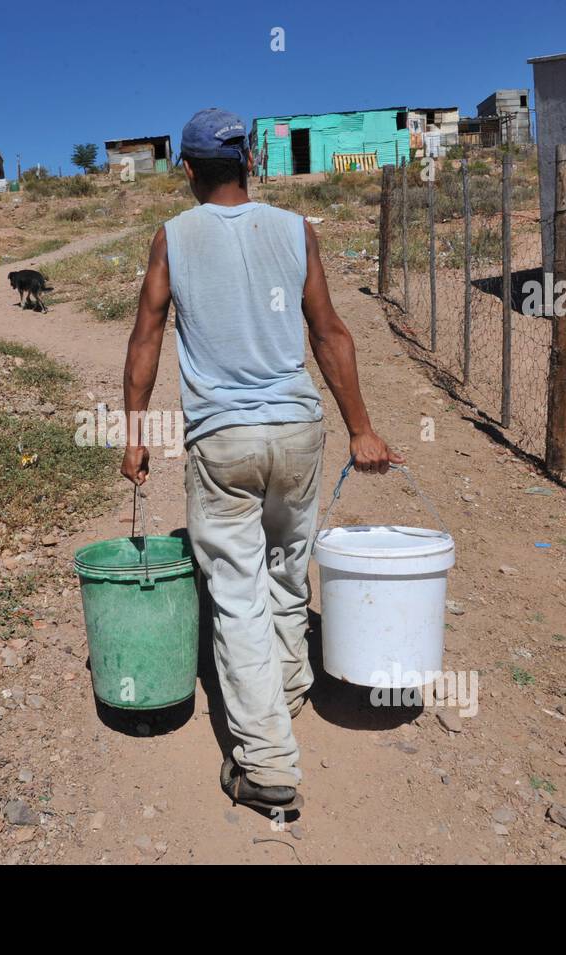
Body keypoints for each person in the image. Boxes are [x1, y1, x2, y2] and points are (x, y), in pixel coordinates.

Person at [120, 108, 401, 812]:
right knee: (285, 562)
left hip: (225, 440)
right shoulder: (295, 230)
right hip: (298, 430)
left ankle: (268, 762)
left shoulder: (172, 239)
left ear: (185, 170)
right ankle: (290, 689)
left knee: (238, 591)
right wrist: (362, 428)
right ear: (249, 160)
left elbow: (145, 338)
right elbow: (330, 333)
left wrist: (134, 433)